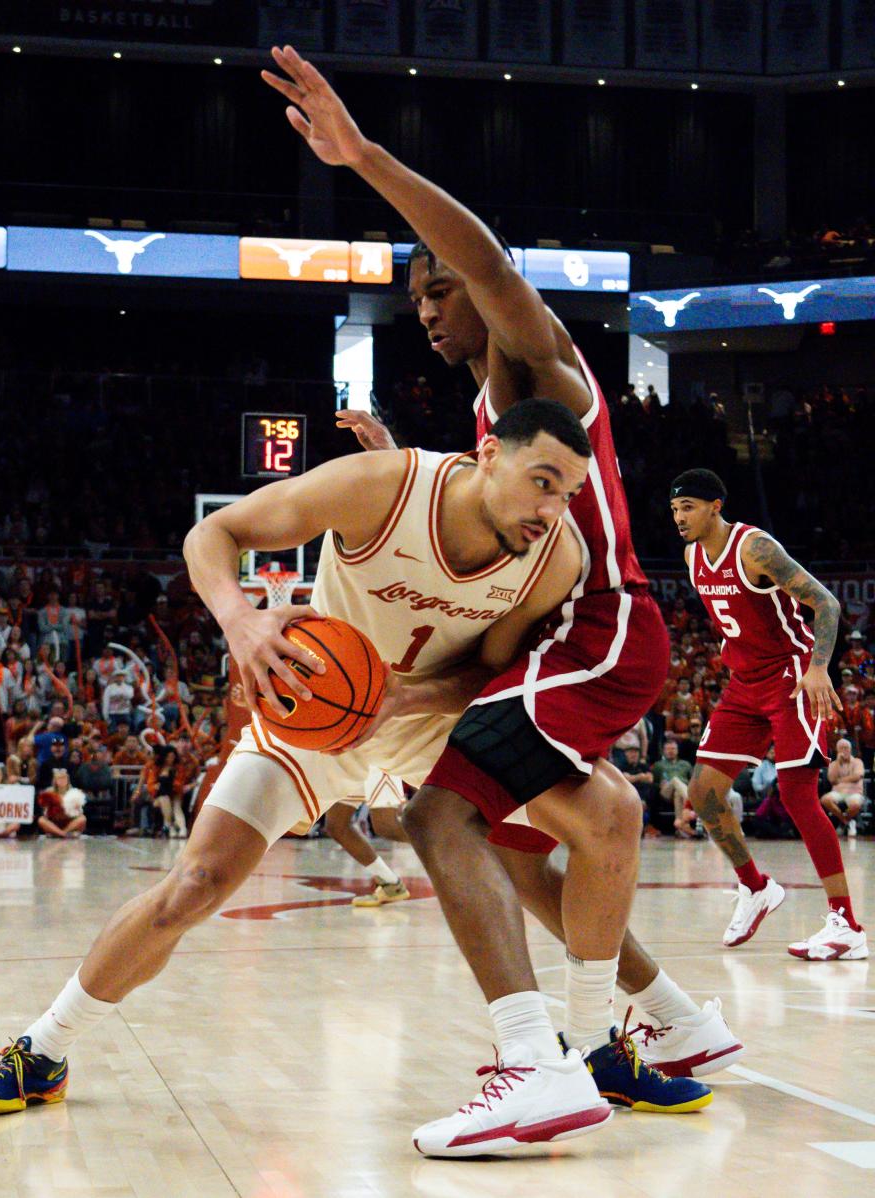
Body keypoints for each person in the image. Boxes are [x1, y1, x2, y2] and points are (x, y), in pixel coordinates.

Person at [0, 400, 726, 1133]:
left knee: (607, 812)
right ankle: (43, 1050)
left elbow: (486, 672)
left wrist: (404, 697)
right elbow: (211, 536)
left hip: (428, 722)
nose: (551, 508)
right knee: (194, 886)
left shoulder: (554, 556)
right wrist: (241, 622)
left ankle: (604, 1040)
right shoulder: (378, 488)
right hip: (314, 718)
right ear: (486, 454)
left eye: (568, 494)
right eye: (542, 482)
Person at [262, 47, 712, 1157]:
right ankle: (664, 1030)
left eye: (436, 288)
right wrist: (395, 459)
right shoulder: (491, 418)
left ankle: (554, 1059)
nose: (424, 307)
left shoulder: (539, 369)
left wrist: (361, 156)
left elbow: (497, 266)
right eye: (414, 294)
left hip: (597, 623)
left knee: (439, 816)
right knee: (529, 840)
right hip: (567, 635)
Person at [672, 468, 867, 959]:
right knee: (704, 791)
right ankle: (756, 887)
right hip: (745, 683)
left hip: (792, 674)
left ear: (716, 506)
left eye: (688, 507)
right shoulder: (693, 554)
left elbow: (825, 602)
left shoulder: (754, 548)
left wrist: (820, 666)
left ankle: (846, 923)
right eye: (675, 510)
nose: (679, 518)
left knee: (797, 792)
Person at [323, 769, 413, 905]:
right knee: (336, 825)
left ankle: (451, 844)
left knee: (386, 826)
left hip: (376, 756)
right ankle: (391, 884)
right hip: (351, 757)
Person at [652, 740, 694, 838]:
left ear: (677, 751)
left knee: (678, 793)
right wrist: (659, 785)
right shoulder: (658, 765)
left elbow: (692, 781)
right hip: (666, 791)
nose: (670, 751)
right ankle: (690, 801)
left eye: (673, 749)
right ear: (663, 751)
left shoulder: (686, 764)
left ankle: (681, 826)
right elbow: (654, 782)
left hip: (681, 790)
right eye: (668, 749)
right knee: (675, 780)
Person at [822, 738, 864, 837]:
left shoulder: (858, 762)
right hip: (838, 792)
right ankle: (847, 821)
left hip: (854, 791)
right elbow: (832, 779)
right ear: (837, 750)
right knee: (825, 800)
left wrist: (840, 780)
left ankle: (842, 822)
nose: (844, 750)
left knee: (856, 804)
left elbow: (857, 776)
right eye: (841, 748)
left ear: (850, 749)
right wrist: (838, 763)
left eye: (846, 748)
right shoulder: (833, 764)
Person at [37, 769, 87, 839]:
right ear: (55, 781)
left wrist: (77, 808)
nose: (62, 781)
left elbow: (80, 812)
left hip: (70, 820)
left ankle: (61, 833)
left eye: (64, 778)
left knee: (82, 819)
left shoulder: (74, 792)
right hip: (54, 820)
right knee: (41, 820)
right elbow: (45, 812)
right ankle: (62, 834)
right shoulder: (49, 792)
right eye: (60, 779)